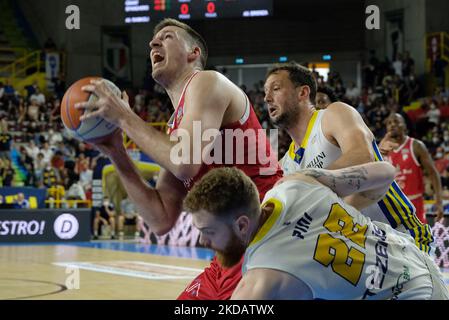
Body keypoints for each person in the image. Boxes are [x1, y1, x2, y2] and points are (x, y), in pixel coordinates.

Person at [75, 18, 282, 299]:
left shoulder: (207, 81)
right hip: (229, 252)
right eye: (153, 40)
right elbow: (160, 218)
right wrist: (115, 150)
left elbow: (184, 163)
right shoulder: (176, 126)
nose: (153, 43)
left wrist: (124, 117)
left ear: (193, 54)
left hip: (268, 236)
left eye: (167, 36)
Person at [184, 165, 449, 300]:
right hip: (415, 259)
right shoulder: (296, 182)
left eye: (208, 231)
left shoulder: (260, 282)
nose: (202, 240)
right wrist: (344, 212)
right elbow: (387, 172)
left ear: (242, 225)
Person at [264, 62, 433, 253]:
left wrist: (303, 183)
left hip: (404, 240)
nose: (267, 98)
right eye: (265, 92)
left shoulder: (333, 115)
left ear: (303, 93)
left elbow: (363, 157)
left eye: (275, 89)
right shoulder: (285, 164)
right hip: (359, 258)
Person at [379, 113, 443, 224]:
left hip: (413, 203)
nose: (392, 125)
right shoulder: (383, 150)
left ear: (404, 126)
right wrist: (379, 149)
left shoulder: (416, 146)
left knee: (418, 240)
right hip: (392, 206)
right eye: (389, 123)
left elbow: (433, 173)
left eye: (396, 121)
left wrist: (439, 200)